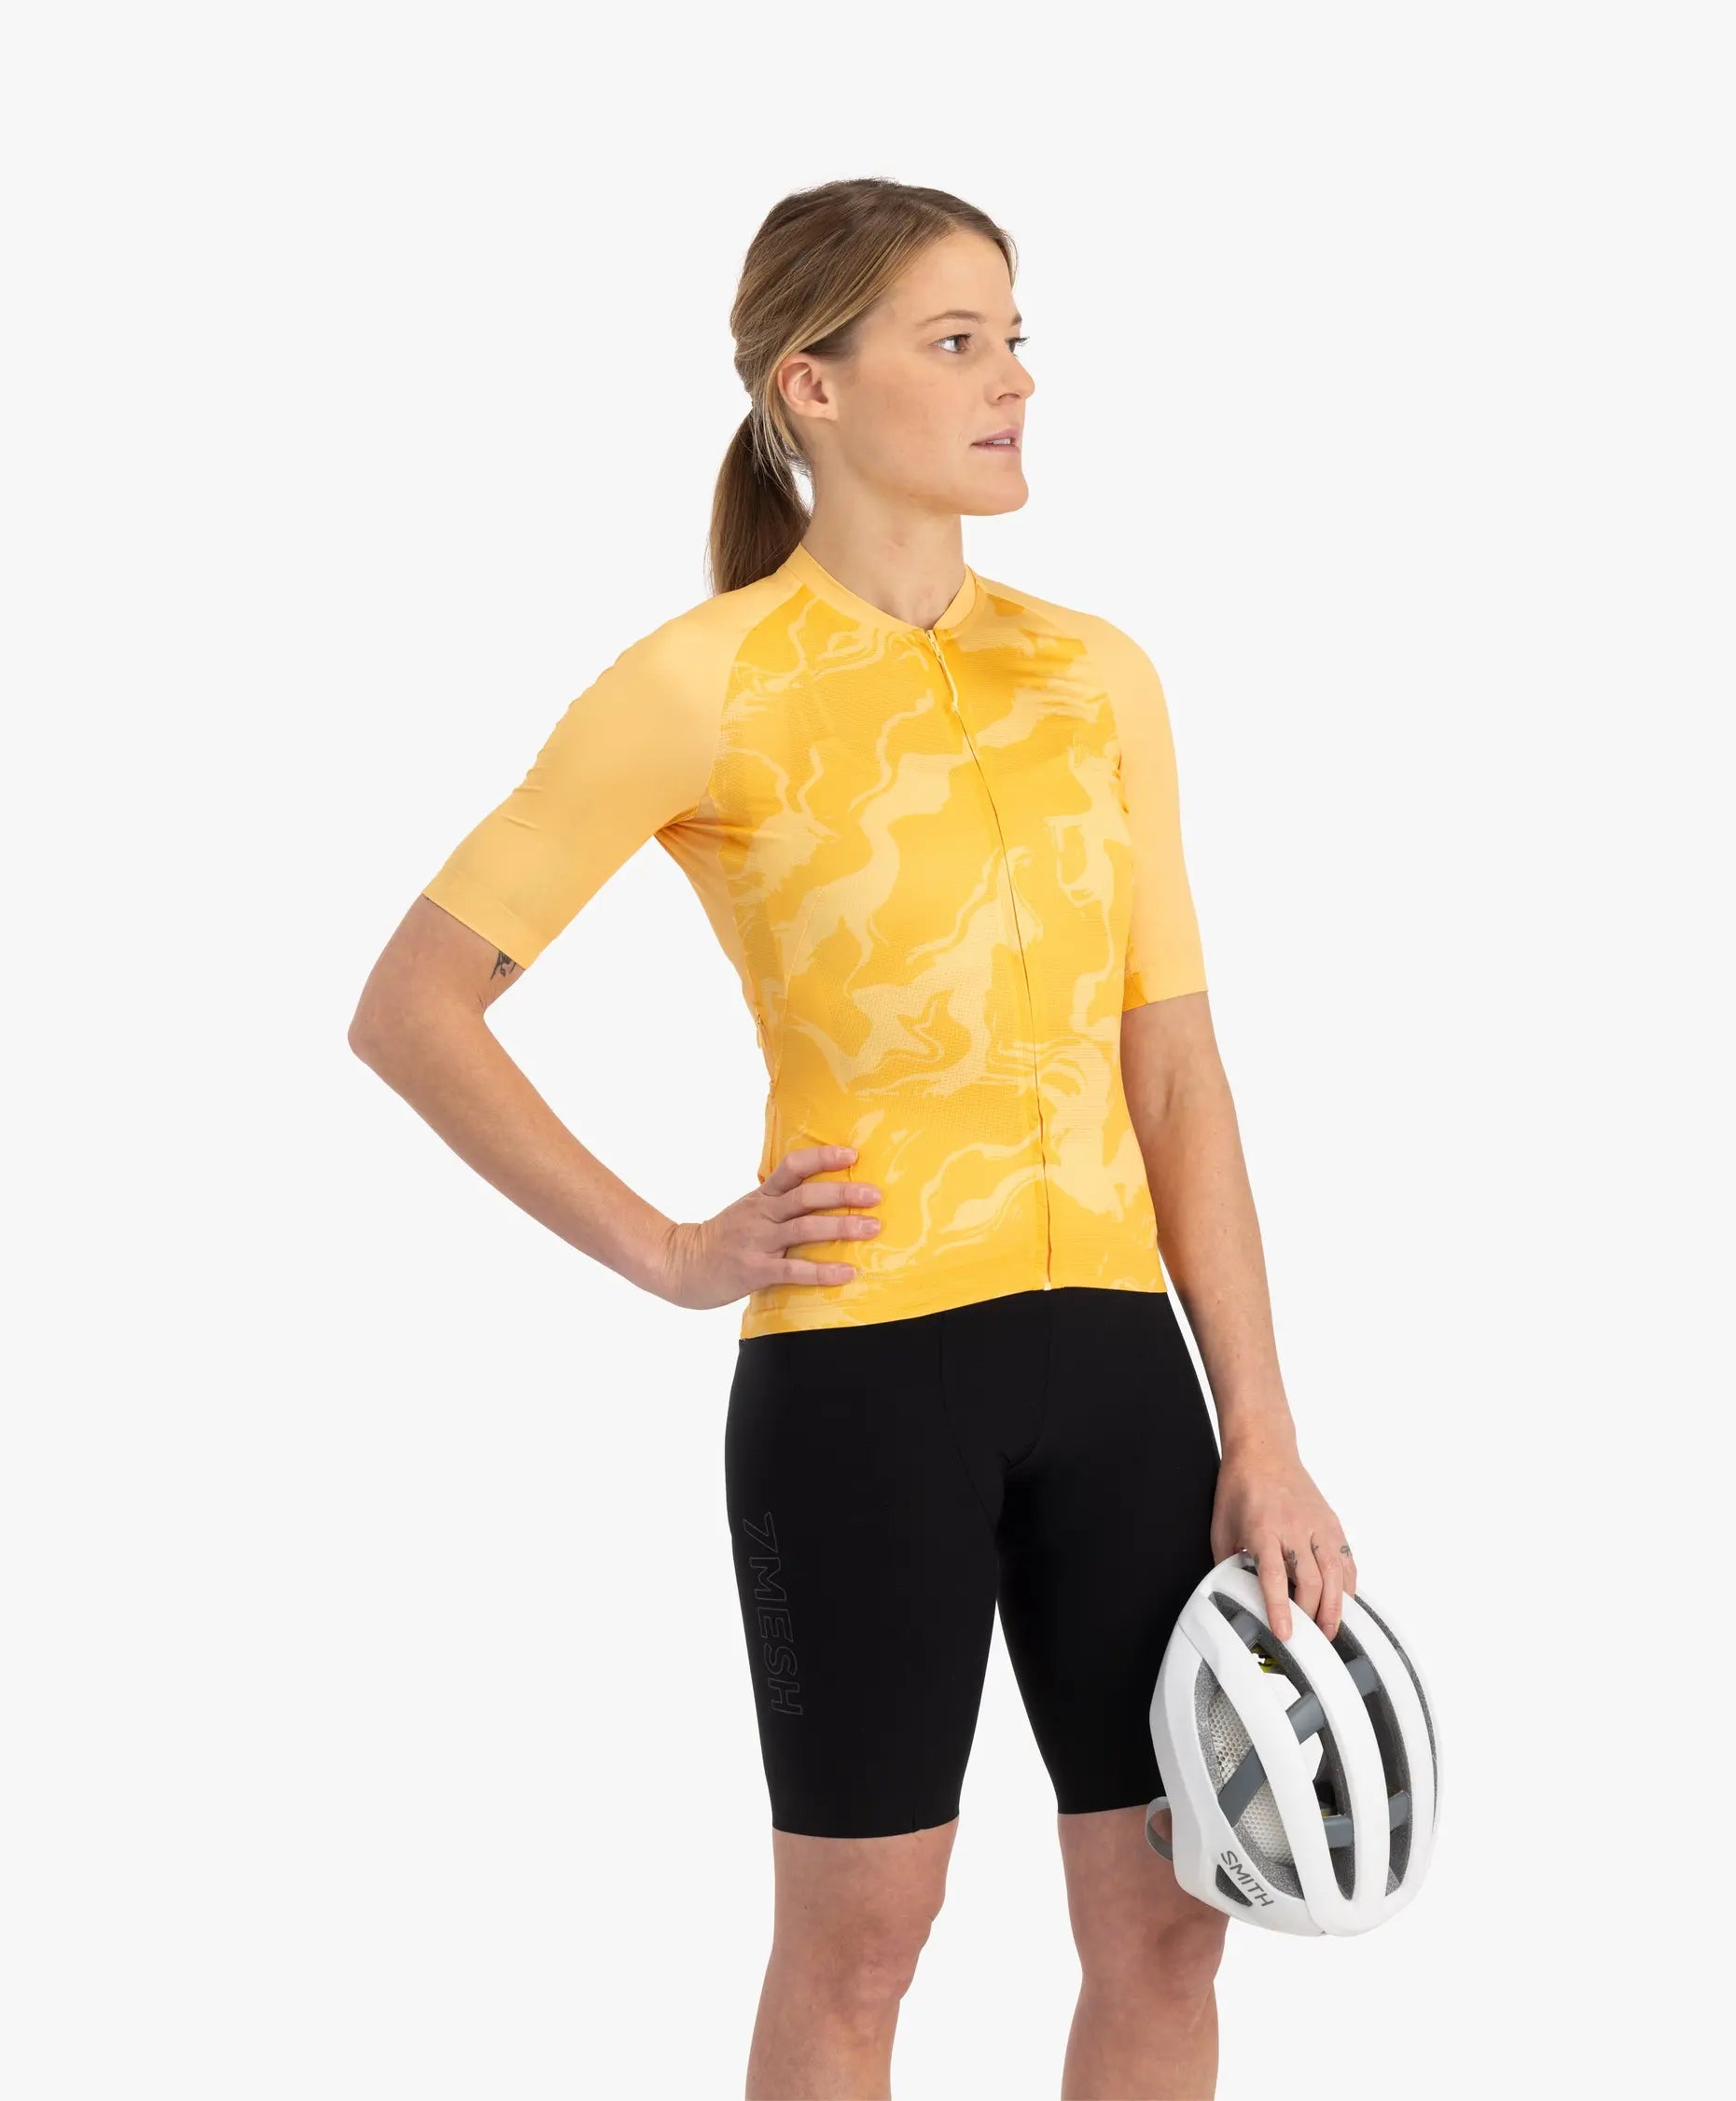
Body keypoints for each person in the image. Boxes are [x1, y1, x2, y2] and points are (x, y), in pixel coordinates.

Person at [349, 176, 1357, 2101]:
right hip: (866, 1379)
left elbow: (1175, 1074)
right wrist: (669, 1249)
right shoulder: (701, 683)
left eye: (1015, 337)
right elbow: (412, 1005)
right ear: (810, 387)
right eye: (956, 342)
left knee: (1174, 1914)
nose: (1015, 380)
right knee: (864, 1944)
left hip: (1120, 1374)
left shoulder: (1097, 674)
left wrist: (1267, 1428)